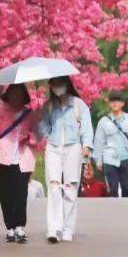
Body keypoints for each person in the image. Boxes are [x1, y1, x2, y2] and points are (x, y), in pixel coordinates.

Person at [36, 76, 92, 244]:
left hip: (73, 147)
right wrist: (39, 121)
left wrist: (87, 146)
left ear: (67, 84)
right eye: (53, 85)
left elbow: (87, 126)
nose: (57, 87)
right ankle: (53, 228)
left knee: (70, 187)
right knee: (53, 186)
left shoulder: (78, 105)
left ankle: (68, 228)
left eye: (60, 84)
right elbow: (42, 129)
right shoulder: (48, 106)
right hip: (53, 147)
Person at [0, 84, 38, 243]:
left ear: (24, 96)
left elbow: (39, 133)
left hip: (23, 159)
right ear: (8, 95)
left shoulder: (30, 114)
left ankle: (20, 226)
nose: (16, 97)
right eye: (13, 94)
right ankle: (10, 227)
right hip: (3, 157)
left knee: (21, 194)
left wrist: (28, 136)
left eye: (19, 94)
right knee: (6, 194)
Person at [93, 91, 128, 197]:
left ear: (122, 103)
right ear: (109, 103)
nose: (114, 103)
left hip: (126, 158)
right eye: (112, 101)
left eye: (117, 101)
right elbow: (99, 141)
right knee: (112, 189)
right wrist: (98, 159)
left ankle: (126, 212)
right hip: (110, 159)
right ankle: (113, 212)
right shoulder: (103, 121)